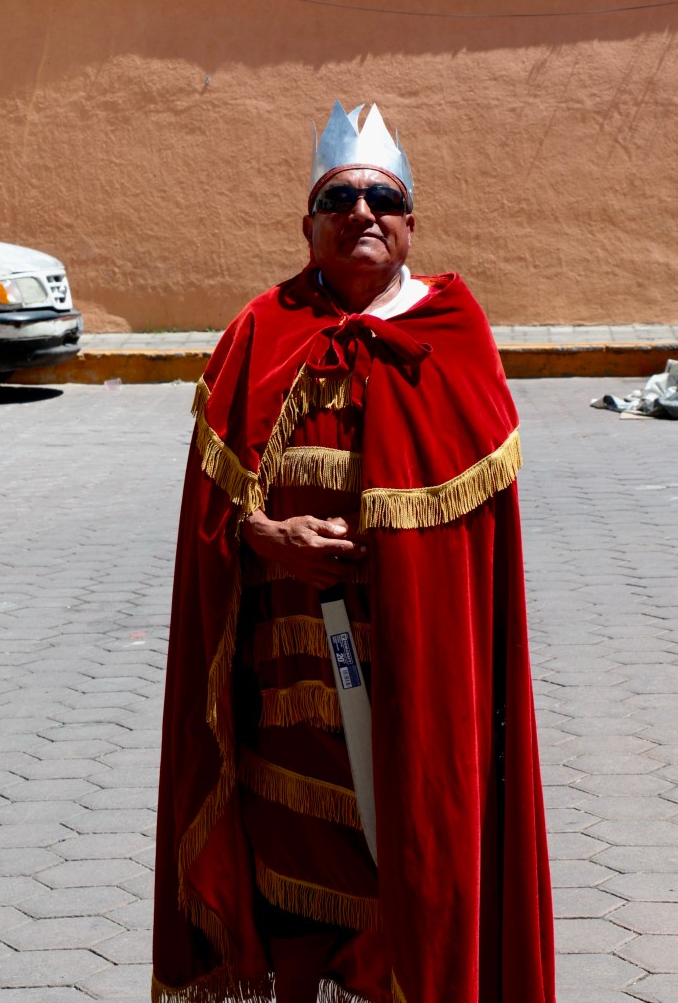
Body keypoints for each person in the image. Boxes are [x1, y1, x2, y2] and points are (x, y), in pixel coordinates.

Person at [152, 101, 556, 1003]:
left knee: (420, 869)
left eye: (383, 198)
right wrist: (264, 533)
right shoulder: (260, 329)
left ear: (411, 223)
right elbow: (209, 514)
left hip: (422, 684)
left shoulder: (452, 333)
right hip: (285, 691)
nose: (362, 212)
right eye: (339, 199)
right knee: (290, 880)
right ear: (308, 226)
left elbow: (479, 552)